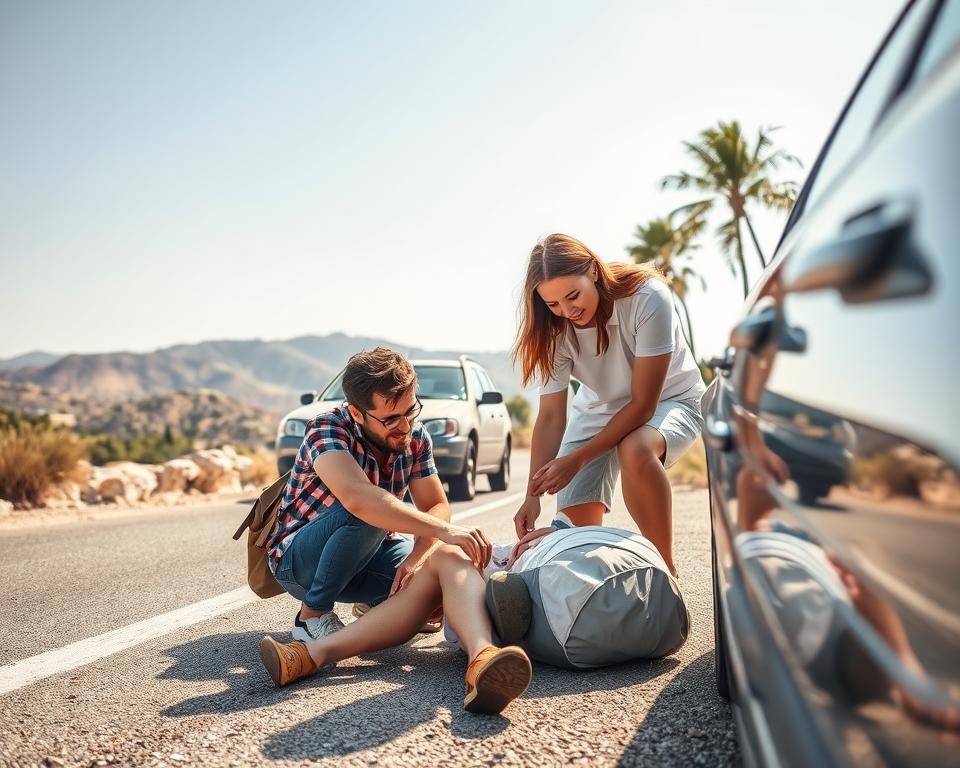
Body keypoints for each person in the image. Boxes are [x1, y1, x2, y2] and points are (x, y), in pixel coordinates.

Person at [266, 347, 492, 644]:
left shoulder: (416, 437)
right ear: (357, 412)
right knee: (371, 509)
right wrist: (446, 531)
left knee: (433, 581)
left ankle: (375, 603)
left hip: (367, 555)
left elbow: (436, 504)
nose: (406, 425)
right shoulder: (326, 429)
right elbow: (359, 499)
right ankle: (312, 616)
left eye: (411, 410)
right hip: (298, 563)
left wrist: (417, 559)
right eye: (391, 419)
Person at [512, 233, 705, 578]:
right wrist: (532, 496)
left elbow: (644, 405)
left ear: (594, 272)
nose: (568, 311)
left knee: (634, 447)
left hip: (671, 400)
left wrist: (577, 459)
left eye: (573, 295)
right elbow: (551, 417)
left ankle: (665, 572)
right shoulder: (554, 329)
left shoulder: (648, 297)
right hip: (599, 413)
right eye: (553, 304)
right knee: (575, 535)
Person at [260, 541, 533, 714]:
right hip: (487, 603)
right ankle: (312, 654)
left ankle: (482, 656)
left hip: (529, 600)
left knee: (449, 553)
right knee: (447, 554)